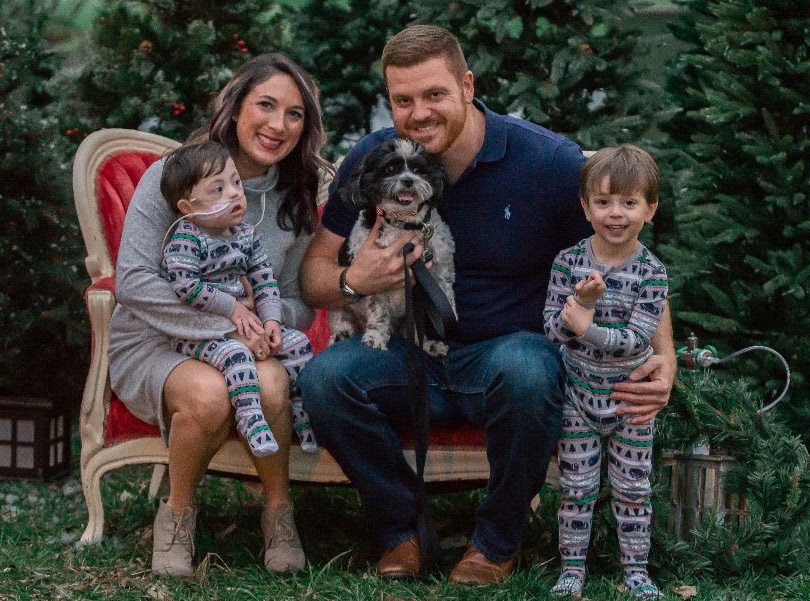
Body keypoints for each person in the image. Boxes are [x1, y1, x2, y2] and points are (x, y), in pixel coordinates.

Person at [298, 25, 676, 585]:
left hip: (501, 357)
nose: (419, 113)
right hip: (404, 355)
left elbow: (628, 257)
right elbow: (313, 277)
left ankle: (495, 543)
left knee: (529, 368)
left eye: (434, 95)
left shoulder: (544, 161)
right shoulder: (377, 158)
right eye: (403, 100)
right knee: (326, 379)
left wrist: (662, 355)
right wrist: (356, 279)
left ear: (468, 85)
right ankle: (401, 532)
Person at [108, 53, 331, 577]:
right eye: (267, 106)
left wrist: (272, 322)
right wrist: (231, 317)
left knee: (274, 387)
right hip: (155, 341)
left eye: (295, 114)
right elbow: (134, 283)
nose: (279, 125)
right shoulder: (177, 176)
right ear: (235, 108)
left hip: (249, 345)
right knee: (208, 396)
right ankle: (178, 515)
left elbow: (299, 301)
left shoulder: (295, 198)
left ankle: (278, 515)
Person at [543, 145, 667, 599]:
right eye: (603, 202)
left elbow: (638, 339)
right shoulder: (567, 262)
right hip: (578, 393)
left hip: (630, 398)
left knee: (633, 487)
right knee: (576, 487)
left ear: (649, 210)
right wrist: (581, 306)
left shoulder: (652, 273)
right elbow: (554, 329)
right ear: (585, 206)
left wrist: (588, 325)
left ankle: (637, 571)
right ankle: (571, 570)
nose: (615, 214)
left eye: (629, 203)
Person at [159, 140, 317, 458]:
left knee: (297, 343)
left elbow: (264, 282)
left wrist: (271, 319)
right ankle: (250, 418)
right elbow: (185, 286)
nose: (233, 193)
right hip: (200, 331)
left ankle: (302, 410)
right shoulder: (186, 238)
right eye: (217, 190)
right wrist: (231, 308)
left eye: (234, 182)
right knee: (237, 356)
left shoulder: (246, 234)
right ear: (188, 207)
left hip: (246, 320)